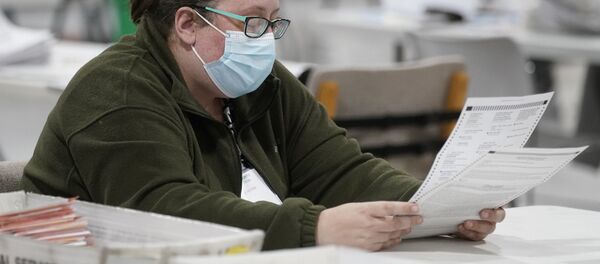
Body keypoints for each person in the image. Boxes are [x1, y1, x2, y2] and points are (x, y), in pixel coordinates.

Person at [21, 0, 504, 251]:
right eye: (252, 22)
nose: (267, 40)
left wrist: (432, 206)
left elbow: (336, 168)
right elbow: (164, 213)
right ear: (188, 24)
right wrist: (315, 228)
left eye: (274, 21)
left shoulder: (260, 83)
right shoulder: (117, 89)